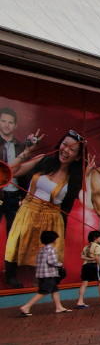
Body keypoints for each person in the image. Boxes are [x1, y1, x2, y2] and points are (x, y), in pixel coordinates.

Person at [3, 130, 86, 289]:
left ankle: (43, 291)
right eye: (64, 144)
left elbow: (70, 205)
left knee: (45, 261)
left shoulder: (74, 178)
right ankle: (11, 277)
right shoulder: (44, 160)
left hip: (51, 219)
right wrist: (27, 151)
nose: (66, 150)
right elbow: (11, 172)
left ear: (78, 156)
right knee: (15, 247)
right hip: (27, 213)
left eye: (72, 149)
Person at [1, 108, 42, 287]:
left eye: (10, 122)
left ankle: (10, 275)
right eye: (3, 121)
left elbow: (26, 173)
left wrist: (24, 196)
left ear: (15, 125)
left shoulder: (20, 145)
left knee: (14, 237)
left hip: (14, 196)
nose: (6, 125)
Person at [18, 230, 69, 315]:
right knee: (43, 291)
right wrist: (60, 264)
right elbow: (52, 262)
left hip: (41, 274)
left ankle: (59, 307)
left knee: (54, 290)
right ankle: (26, 307)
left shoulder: (42, 249)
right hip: (48, 274)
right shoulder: (51, 249)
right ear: (53, 240)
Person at [76, 230, 100, 308]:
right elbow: (98, 258)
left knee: (84, 283)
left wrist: (89, 258)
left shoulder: (86, 247)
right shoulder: (98, 246)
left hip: (85, 266)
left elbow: (82, 256)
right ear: (96, 238)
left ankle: (80, 301)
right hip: (95, 266)